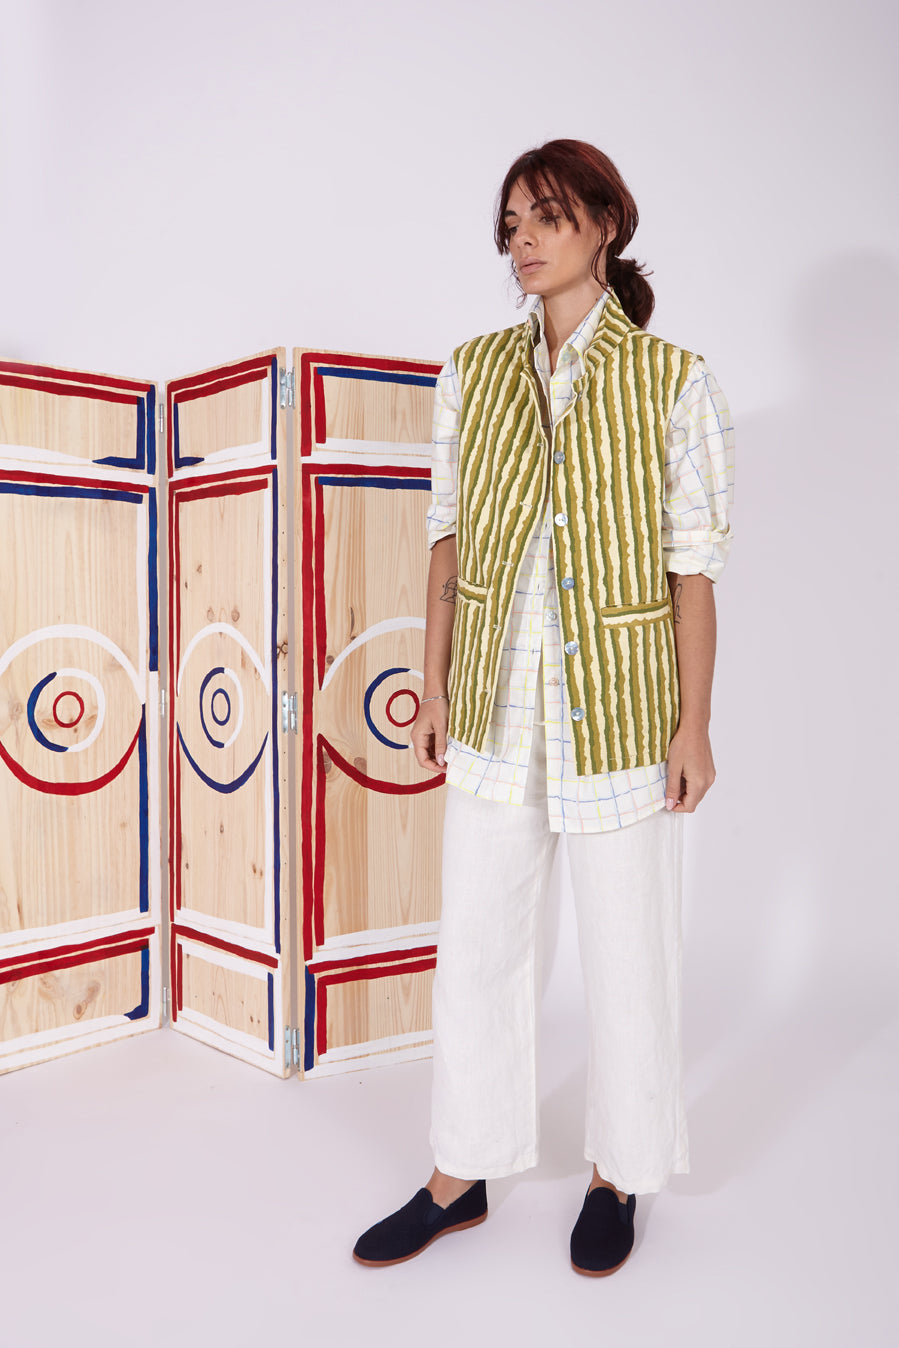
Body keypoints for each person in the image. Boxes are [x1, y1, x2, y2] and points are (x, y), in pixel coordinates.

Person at [353, 138, 734, 1275]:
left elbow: (692, 569)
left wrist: (693, 725)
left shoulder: (673, 379)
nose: (521, 239)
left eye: (546, 216)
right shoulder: (471, 372)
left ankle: (618, 1172)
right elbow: (447, 536)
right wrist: (432, 681)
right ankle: (458, 1174)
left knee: (628, 952)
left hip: (621, 711)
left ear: (604, 224)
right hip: (491, 705)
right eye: (510, 223)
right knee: (476, 946)